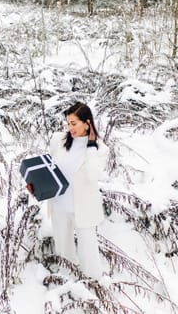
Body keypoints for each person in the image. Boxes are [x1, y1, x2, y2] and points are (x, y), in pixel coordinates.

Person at [47, 101, 109, 279]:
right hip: (59, 205)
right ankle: (67, 286)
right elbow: (50, 168)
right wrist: (37, 184)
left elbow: (91, 175)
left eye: (74, 123)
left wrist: (90, 145)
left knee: (89, 254)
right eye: (68, 123)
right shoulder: (59, 140)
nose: (70, 128)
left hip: (83, 209)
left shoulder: (100, 149)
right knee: (64, 253)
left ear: (87, 123)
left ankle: (93, 285)